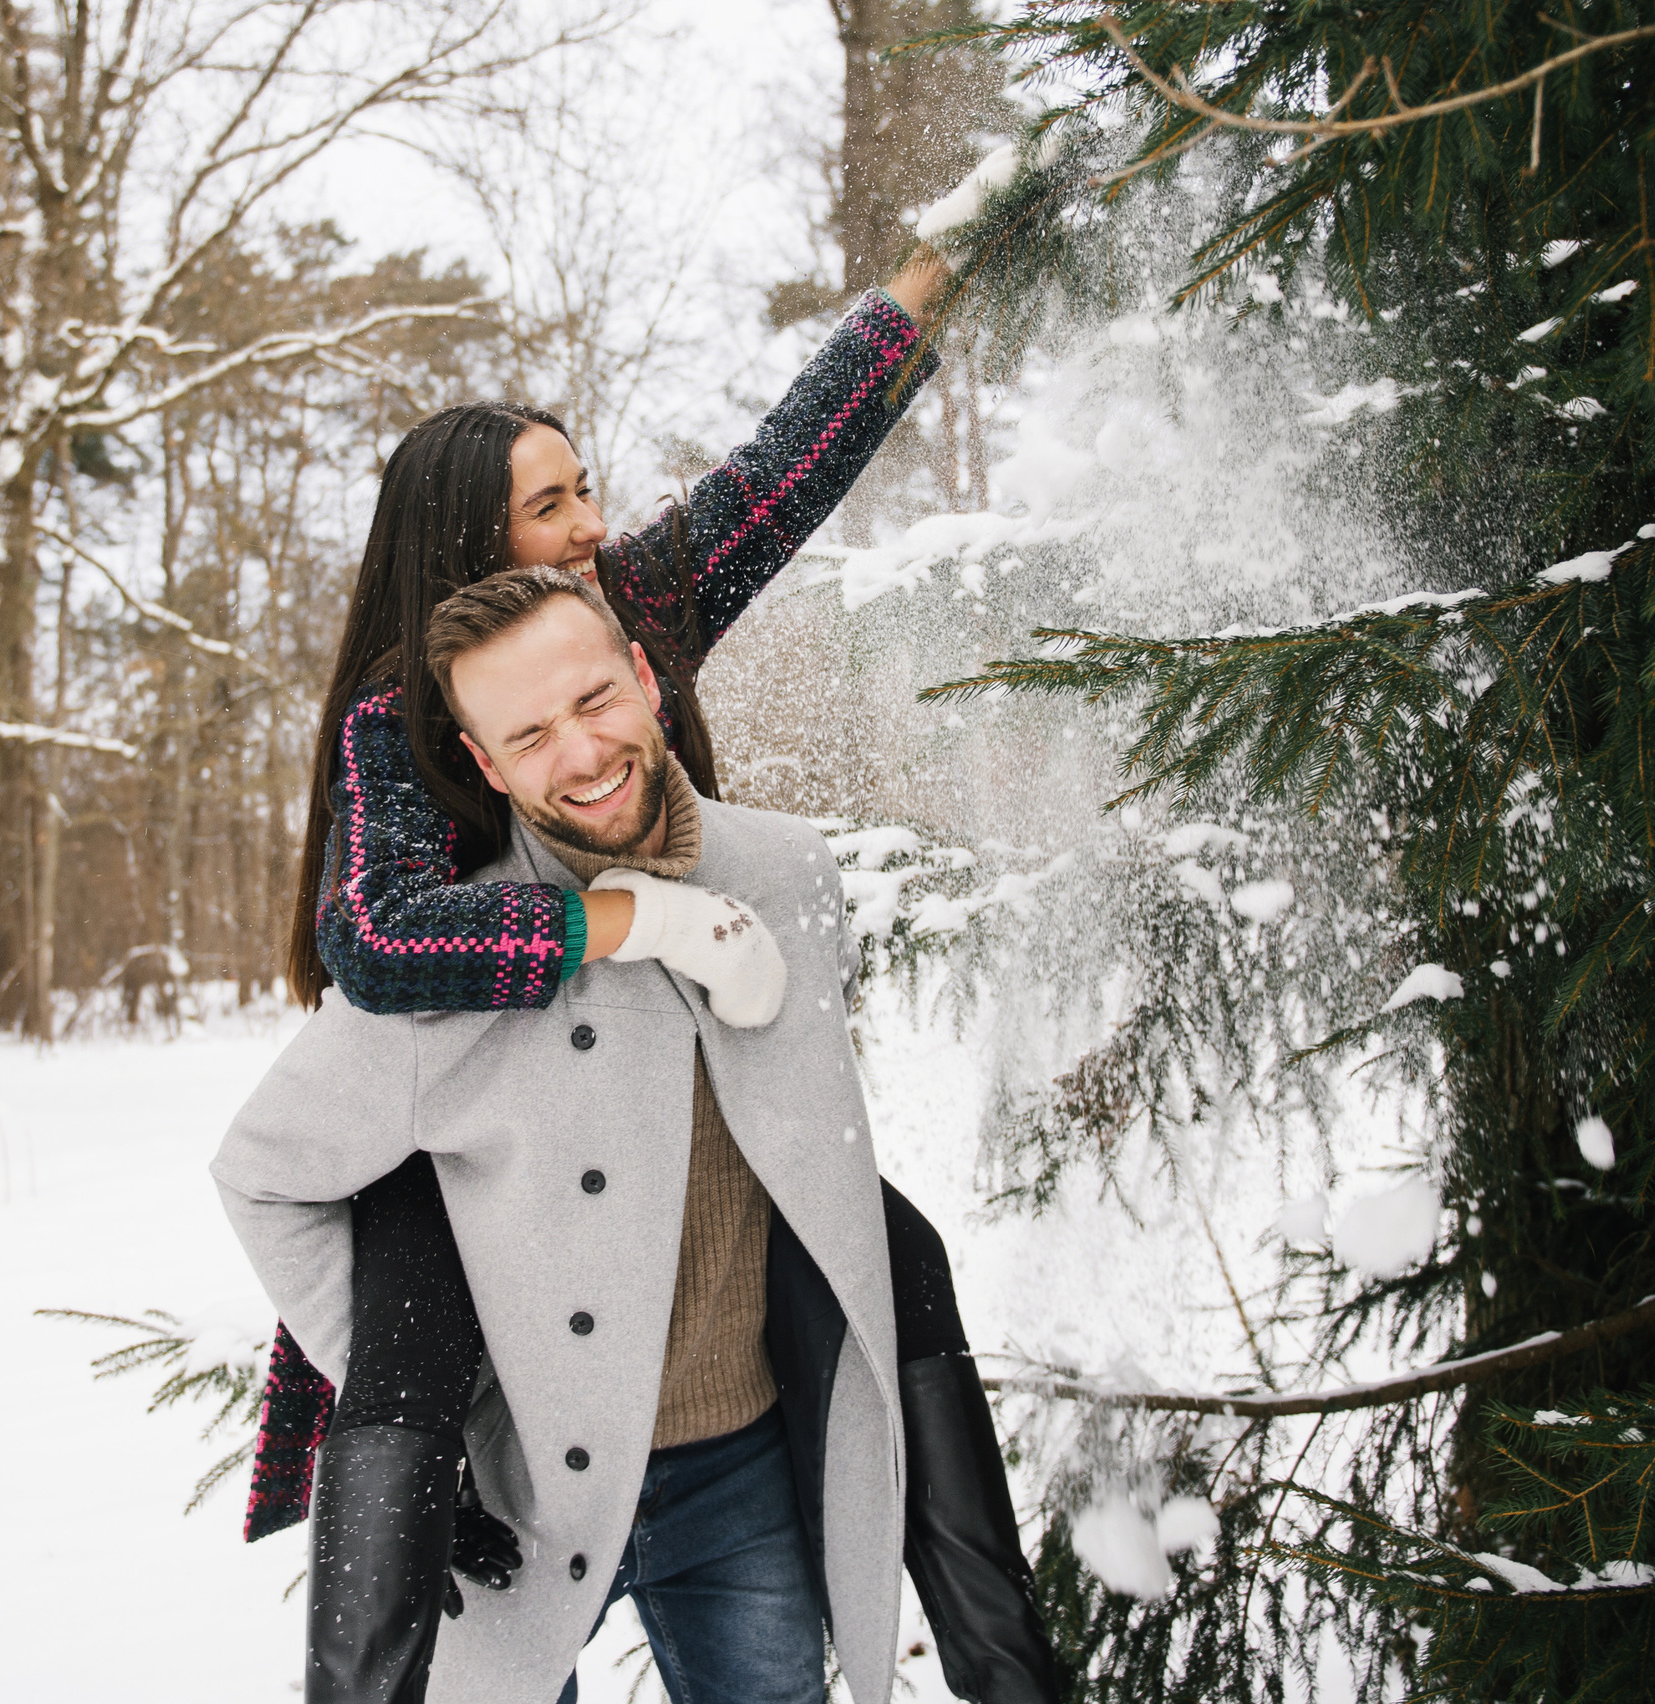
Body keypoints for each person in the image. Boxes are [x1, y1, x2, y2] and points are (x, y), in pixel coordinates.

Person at [252, 244, 1056, 1704]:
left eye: (583, 489)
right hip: (470, 1156)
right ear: (468, 541)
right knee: (418, 1356)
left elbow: (776, 476)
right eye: (548, 505)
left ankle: (1010, 1670)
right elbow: (369, 942)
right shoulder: (397, 715)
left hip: (677, 1089)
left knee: (899, 1260)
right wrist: (610, 929)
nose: (587, 523)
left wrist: (911, 303)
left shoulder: (634, 605)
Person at [218, 565, 920, 1704]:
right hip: (522, 1490)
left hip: (742, 1467)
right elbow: (263, 1173)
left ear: (646, 679)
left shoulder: (789, 870)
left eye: (595, 702)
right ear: (486, 766)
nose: (583, 756)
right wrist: (425, 1411)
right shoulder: (461, 957)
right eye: (530, 735)